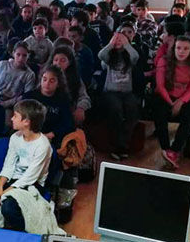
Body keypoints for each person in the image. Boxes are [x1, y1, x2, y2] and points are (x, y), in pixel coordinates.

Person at [0, 99, 53, 232]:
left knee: (8, 207)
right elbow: (8, 165)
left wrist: (0, 195)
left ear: (26, 121)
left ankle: (21, 234)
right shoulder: (15, 137)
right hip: (13, 179)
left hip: (31, 184)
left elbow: (30, 177)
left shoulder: (43, 145)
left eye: (15, 116)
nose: (12, 118)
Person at [154, 36, 190, 169]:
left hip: (184, 98)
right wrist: (171, 103)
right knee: (159, 111)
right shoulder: (164, 61)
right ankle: (165, 148)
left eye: (186, 49)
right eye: (178, 48)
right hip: (165, 96)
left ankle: (175, 150)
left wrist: (180, 102)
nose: (181, 51)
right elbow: (160, 86)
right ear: (174, 49)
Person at [98, 31, 141, 159]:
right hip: (111, 92)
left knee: (133, 109)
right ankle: (117, 146)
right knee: (116, 110)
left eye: (120, 39)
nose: (118, 41)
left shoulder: (129, 57)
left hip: (127, 93)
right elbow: (101, 55)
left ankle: (123, 144)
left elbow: (135, 56)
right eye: (115, 39)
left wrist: (126, 44)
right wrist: (111, 43)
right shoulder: (108, 57)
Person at [25, 66, 75, 150]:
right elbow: (21, 118)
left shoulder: (63, 100)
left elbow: (69, 124)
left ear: (58, 84)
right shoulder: (29, 97)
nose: (47, 83)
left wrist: (53, 134)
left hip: (51, 138)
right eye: (44, 79)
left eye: (52, 81)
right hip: (29, 135)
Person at [0, 42, 36, 109]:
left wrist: (7, 103)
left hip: (11, 104)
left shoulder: (29, 74)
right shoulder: (3, 65)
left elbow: (26, 95)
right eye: (18, 54)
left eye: (24, 55)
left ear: (28, 56)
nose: (20, 58)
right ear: (13, 53)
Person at [50, 46, 91, 125]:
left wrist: (80, 108)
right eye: (55, 60)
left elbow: (84, 98)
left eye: (62, 60)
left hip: (68, 111)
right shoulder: (46, 76)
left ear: (69, 62)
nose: (58, 63)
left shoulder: (75, 79)